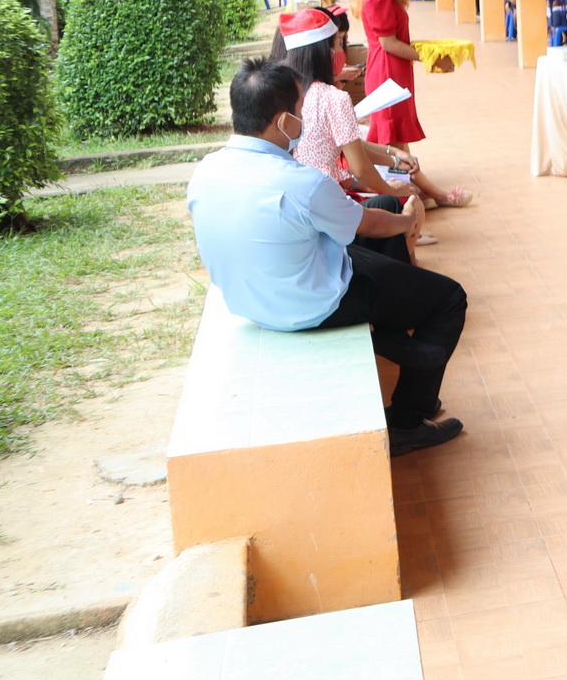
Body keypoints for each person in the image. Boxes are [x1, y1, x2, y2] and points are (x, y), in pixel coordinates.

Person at [187, 59, 467, 455]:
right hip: (313, 305)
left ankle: (391, 338)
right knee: (448, 298)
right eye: (300, 112)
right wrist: (409, 223)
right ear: (284, 121)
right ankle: (407, 419)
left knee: (380, 217)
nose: (304, 120)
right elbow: (367, 224)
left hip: (251, 300)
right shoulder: (299, 181)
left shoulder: (206, 170)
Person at [274, 7, 472, 216]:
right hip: (327, 204)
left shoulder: (283, 93)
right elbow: (360, 168)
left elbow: (346, 147)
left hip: (296, 202)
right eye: (339, 43)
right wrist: (391, 190)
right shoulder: (332, 97)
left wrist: (393, 155)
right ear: (324, 53)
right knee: (410, 205)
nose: (342, 51)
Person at [355, 0, 427, 146]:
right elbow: (388, 43)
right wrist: (428, 56)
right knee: (391, 140)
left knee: (398, 138)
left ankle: (406, 169)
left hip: (393, 68)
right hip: (387, 71)